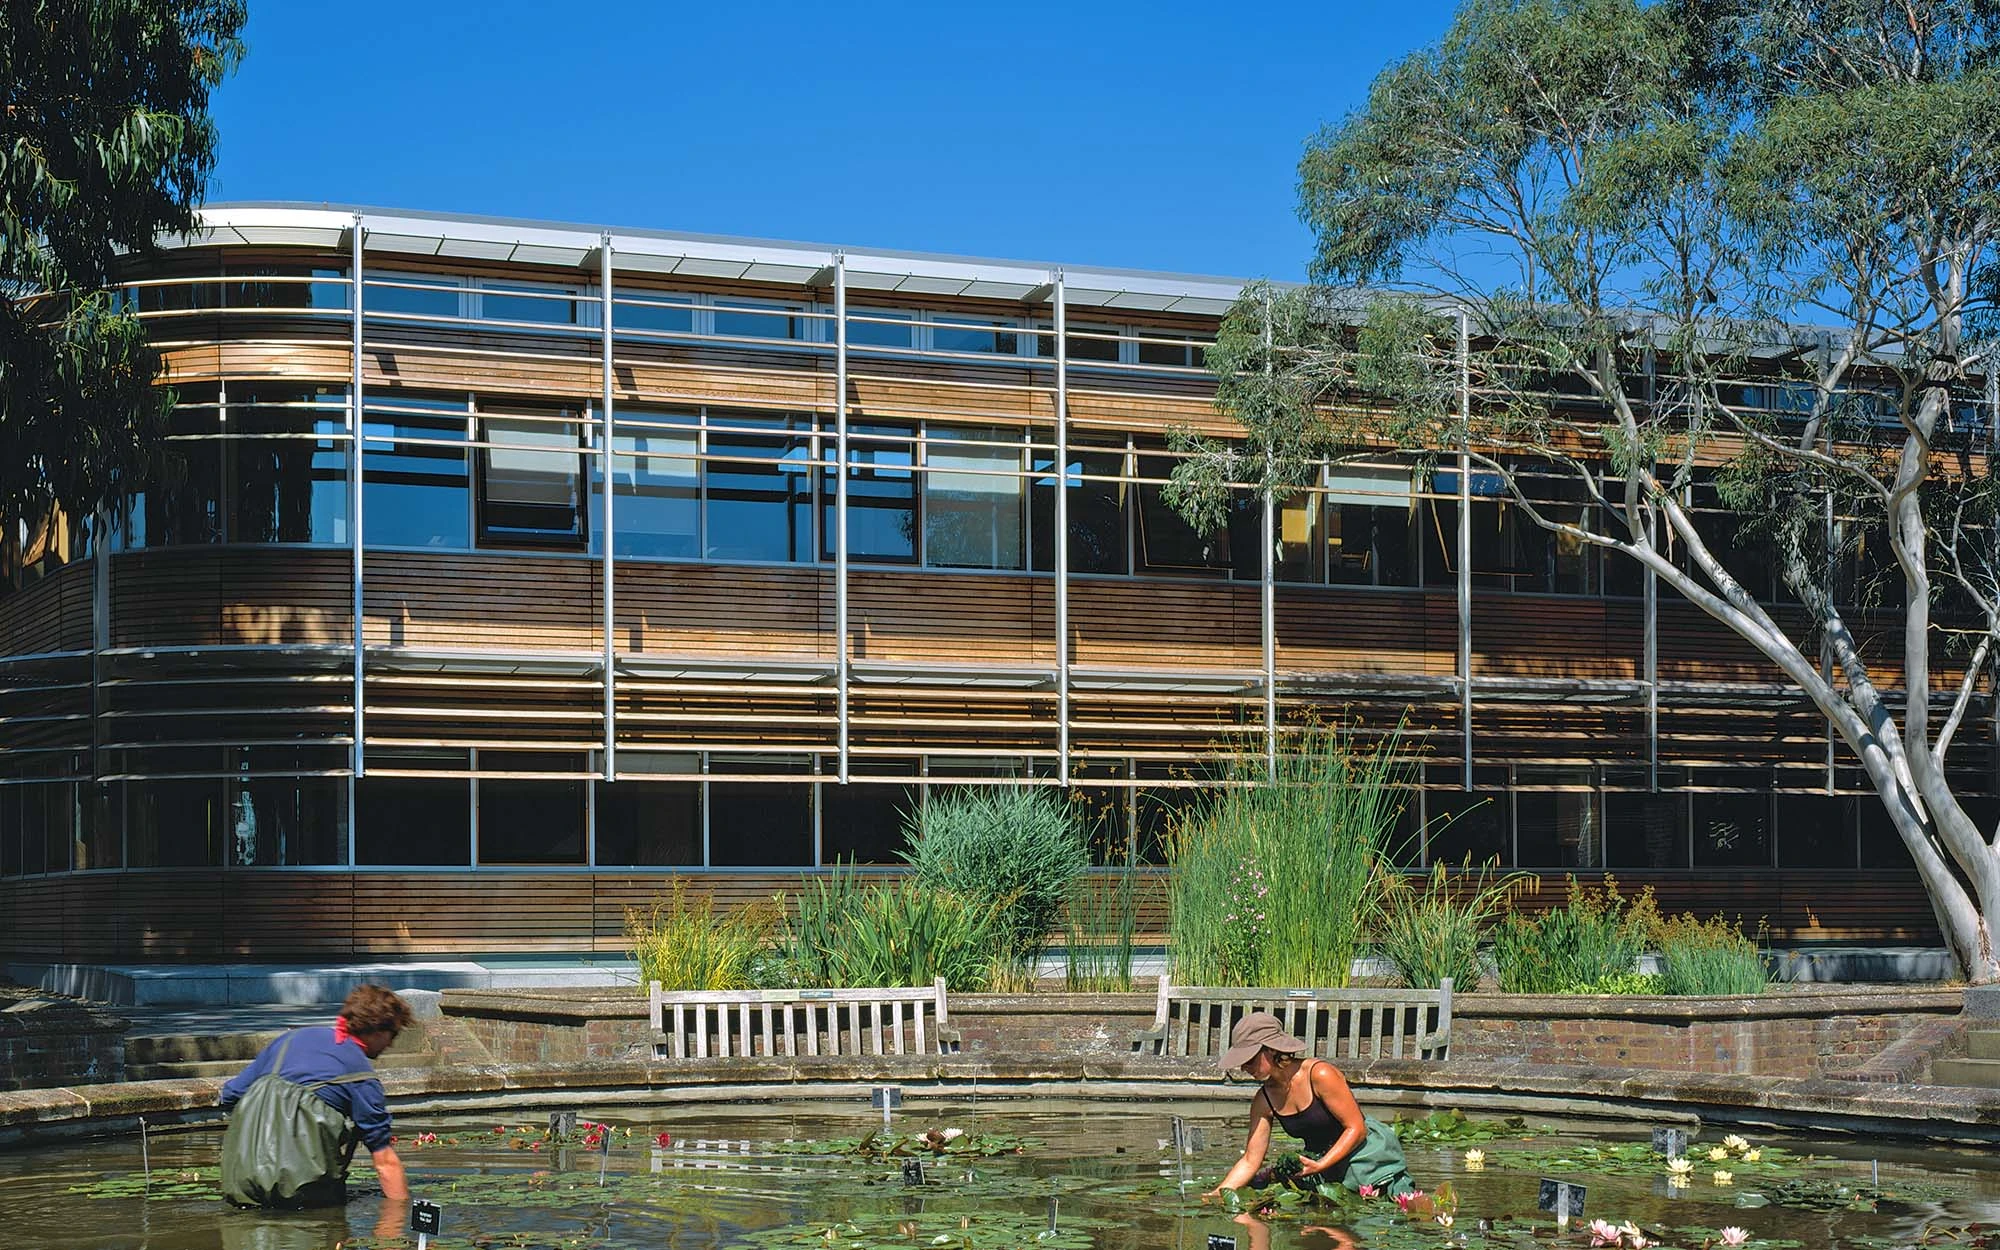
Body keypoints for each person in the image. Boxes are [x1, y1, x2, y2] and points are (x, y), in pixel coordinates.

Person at [218, 984, 413, 1235]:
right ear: (377, 1030)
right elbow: (385, 1162)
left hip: (242, 1182)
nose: (391, 1044)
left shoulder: (288, 1041)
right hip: (303, 1192)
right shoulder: (361, 1076)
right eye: (393, 1034)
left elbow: (231, 1094)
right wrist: (397, 1222)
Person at [1205, 1011, 1415, 1200]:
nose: (1244, 1067)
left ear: (1270, 1050)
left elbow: (1356, 1128)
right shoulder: (1264, 1100)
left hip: (1365, 1156)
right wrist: (1219, 1192)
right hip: (1319, 1164)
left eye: (1249, 1059)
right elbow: (1251, 1159)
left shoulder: (1320, 1074)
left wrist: (1321, 1165)